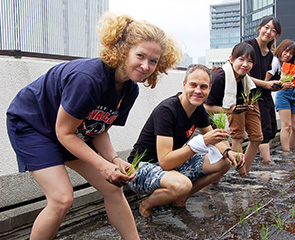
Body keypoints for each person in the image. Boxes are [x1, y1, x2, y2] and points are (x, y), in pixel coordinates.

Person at [6, 12, 181, 240]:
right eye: (140, 55)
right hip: (34, 125)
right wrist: (103, 166)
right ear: (123, 50)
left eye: (153, 61)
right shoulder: (89, 79)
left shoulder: (129, 89)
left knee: (112, 188)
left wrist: (115, 160)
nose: (146, 65)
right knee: (62, 198)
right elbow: (64, 132)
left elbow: (99, 129)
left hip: (69, 130)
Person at [127, 64, 245, 217]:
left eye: (203, 87)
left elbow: (214, 139)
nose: (197, 91)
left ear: (209, 89)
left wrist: (230, 153)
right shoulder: (167, 110)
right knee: (183, 185)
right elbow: (165, 162)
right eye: (193, 85)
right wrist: (200, 143)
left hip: (167, 168)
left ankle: (181, 198)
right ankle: (146, 204)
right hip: (140, 168)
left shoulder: (198, 110)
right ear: (184, 85)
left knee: (224, 163)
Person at [204, 42, 263, 178]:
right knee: (236, 138)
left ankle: (243, 173)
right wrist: (230, 111)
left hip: (236, 108)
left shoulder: (245, 80)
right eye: (241, 59)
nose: (245, 64)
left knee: (257, 137)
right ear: (231, 59)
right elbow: (205, 107)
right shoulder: (220, 77)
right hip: (212, 118)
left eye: (249, 61)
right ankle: (242, 174)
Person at [244, 16, 282, 166]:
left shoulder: (270, 54)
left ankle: (259, 160)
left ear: (276, 35)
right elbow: (242, 74)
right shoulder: (248, 46)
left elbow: (266, 77)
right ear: (260, 27)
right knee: (260, 131)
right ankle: (267, 162)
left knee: (272, 127)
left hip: (263, 94)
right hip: (249, 94)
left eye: (273, 30)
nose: (268, 32)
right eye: (266, 27)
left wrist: (277, 85)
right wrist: (265, 84)